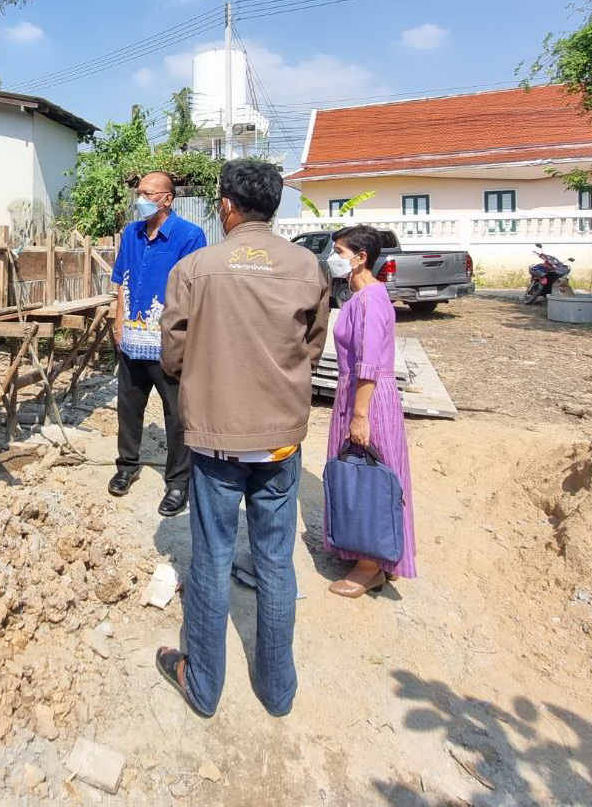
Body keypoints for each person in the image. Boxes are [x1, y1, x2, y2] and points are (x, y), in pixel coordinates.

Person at [153, 160, 329, 718]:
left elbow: (173, 353)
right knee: (276, 562)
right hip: (280, 439)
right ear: (273, 206)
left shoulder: (195, 267)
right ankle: (278, 691)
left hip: (215, 440)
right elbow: (313, 346)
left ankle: (203, 684)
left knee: (211, 557)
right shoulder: (309, 266)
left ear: (226, 205)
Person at [324, 225, 418, 597]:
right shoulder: (366, 296)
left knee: (367, 478)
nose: (334, 258)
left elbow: (368, 364)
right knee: (367, 472)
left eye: (340, 252)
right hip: (360, 394)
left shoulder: (368, 301)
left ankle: (370, 566)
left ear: (361, 258)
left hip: (366, 398)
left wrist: (359, 415)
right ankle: (378, 554)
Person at [108, 171, 207, 516]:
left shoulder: (190, 236)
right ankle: (127, 465)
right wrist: (118, 324)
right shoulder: (131, 234)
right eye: (139, 192)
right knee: (128, 408)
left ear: (167, 199)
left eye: (148, 194)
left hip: (169, 344)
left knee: (176, 415)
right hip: (132, 341)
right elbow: (122, 280)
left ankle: (178, 483)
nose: (141, 199)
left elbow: (195, 292)